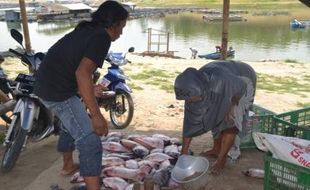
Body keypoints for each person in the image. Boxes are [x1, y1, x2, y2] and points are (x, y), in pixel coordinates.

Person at [33, 1, 129, 189]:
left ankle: (68, 165)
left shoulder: (89, 30)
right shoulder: (102, 37)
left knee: (72, 124)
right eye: (122, 26)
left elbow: (70, 66)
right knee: (90, 141)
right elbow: (82, 73)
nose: (122, 32)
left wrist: (88, 89)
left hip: (47, 84)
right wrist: (96, 115)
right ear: (114, 23)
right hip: (56, 91)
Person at [174, 60, 256, 175]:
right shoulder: (190, 91)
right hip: (220, 83)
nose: (190, 101)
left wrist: (232, 104)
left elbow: (241, 86)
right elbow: (189, 122)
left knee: (230, 118)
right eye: (188, 99)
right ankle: (216, 149)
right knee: (212, 113)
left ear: (200, 90)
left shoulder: (222, 79)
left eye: (192, 98)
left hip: (242, 80)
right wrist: (184, 152)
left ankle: (222, 159)